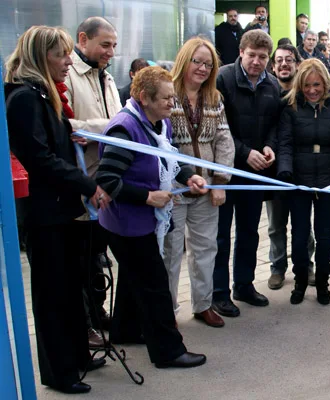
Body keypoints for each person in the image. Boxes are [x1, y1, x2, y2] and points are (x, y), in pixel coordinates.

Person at [5, 25, 110, 394]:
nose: (68, 62)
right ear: (39, 57)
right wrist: (87, 185)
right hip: (44, 214)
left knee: (69, 289)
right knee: (51, 295)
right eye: (60, 55)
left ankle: (77, 357)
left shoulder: (42, 94)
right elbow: (40, 158)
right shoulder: (23, 98)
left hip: (62, 210)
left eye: (68, 53)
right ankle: (58, 371)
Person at [96, 66, 208, 369]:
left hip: (145, 220)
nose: (172, 104)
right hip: (127, 224)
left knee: (137, 279)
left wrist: (189, 177)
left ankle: (127, 330)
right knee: (155, 285)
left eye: (173, 98)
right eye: (167, 99)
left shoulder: (159, 124)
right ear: (144, 97)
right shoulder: (125, 129)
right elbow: (106, 179)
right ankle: (168, 351)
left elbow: (169, 157)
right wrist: (147, 197)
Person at [162, 38, 235, 328]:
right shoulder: (167, 92)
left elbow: (224, 141)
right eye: (197, 61)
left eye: (208, 64)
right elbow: (161, 142)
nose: (203, 68)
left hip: (206, 189)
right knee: (170, 251)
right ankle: (168, 310)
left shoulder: (215, 99)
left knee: (206, 249)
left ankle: (203, 304)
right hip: (174, 188)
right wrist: (175, 180)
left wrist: (220, 182)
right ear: (184, 60)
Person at [213, 29, 280, 317]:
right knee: (220, 235)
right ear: (241, 52)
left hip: (257, 172)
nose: (256, 62)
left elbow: (277, 125)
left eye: (262, 57)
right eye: (251, 55)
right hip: (226, 169)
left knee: (250, 232)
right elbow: (218, 126)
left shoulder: (273, 85)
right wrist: (244, 152)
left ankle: (244, 284)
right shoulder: (223, 79)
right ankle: (218, 293)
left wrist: (269, 146)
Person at [64, 16, 122, 347]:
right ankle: (84, 323)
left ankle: (99, 313)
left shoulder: (107, 77)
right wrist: (105, 127)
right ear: (82, 39)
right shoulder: (67, 75)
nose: (111, 52)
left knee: (99, 255)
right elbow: (70, 125)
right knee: (81, 258)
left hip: (107, 181)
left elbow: (120, 124)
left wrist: (101, 127)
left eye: (114, 46)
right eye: (105, 45)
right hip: (81, 184)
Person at [277, 59, 330, 305]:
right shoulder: (290, 109)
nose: (312, 90)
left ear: (325, 84)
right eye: (308, 85)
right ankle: (300, 281)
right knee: (299, 236)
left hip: (327, 182)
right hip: (298, 182)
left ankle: (323, 283)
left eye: (317, 85)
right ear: (300, 85)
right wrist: (285, 172)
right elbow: (285, 144)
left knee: (324, 236)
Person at [267, 44, 317, 290]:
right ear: (273, 66)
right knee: (276, 224)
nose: (284, 64)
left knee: (303, 223)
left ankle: (306, 266)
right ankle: (277, 268)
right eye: (279, 60)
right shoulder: (267, 92)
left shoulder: (305, 93)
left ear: (297, 63)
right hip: (272, 171)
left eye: (289, 59)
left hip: (301, 170)